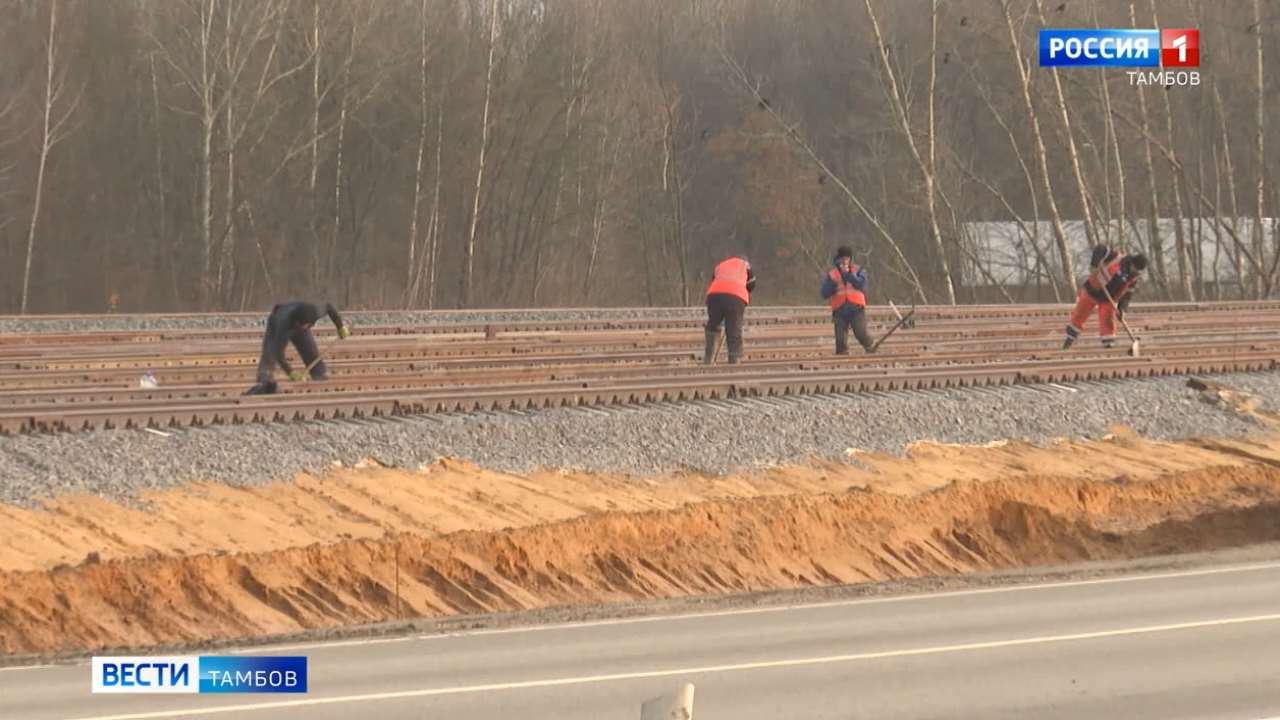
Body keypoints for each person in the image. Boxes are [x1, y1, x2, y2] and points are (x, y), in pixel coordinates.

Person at [245, 301, 351, 395]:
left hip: (298, 319)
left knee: (310, 350)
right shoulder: (283, 325)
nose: (307, 328)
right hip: (276, 321)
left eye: (308, 326)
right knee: (270, 353)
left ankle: (319, 376)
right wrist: (290, 372)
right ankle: (264, 381)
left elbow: (329, 307)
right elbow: (278, 353)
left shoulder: (313, 312)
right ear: (297, 323)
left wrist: (340, 327)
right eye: (304, 326)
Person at [1063, 245, 1148, 350]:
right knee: (1079, 314)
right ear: (1132, 263)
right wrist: (1094, 265)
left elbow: (1127, 296)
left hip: (1108, 299)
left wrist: (1122, 309)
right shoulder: (1116, 258)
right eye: (1135, 269)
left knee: (1108, 321)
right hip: (1093, 289)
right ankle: (1068, 341)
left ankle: (1108, 347)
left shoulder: (1133, 278)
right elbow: (1100, 248)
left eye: (1138, 271)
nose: (1135, 272)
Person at [820, 246, 874, 355]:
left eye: (847, 258)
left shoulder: (858, 270)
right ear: (838, 259)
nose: (845, 261)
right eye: (843, 258)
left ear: (850, 259)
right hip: (839, 309)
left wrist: (849, 275)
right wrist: (832, 284)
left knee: (861, 333)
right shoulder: (832, 274)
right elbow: (824, 293)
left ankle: (870, 346)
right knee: (840, 341)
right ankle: (842, 357)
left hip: (856, 308)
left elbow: (861, 284)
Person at [703, 255, 756, 364]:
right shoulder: (745, 265)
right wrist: (746, 295)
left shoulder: (720, 266)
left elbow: (714, 280)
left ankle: (709, 359)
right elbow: (751, 284)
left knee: (713, 326)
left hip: (714, 296)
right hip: (736, 297)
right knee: (734, 329)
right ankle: (734, 360)